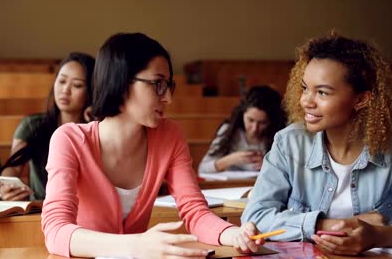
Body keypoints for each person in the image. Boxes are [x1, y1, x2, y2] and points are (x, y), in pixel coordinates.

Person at [42, 33, 264, 258]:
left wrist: (235, 234)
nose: (168, 97)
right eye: (158, 84)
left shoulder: (170, 135)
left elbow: (195, 212)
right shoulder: (68, 139)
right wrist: (135, 245)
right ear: (120, 81)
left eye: (169, 86)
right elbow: (56, 230)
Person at [241, 32, 392, 255]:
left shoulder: (390, 150)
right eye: (305, 88)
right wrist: (327, 225)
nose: (305, 101)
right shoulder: (288, 143)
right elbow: (256, 217)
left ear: (361, 99)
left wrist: (376, 236)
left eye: (322, 92)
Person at [0, 52, 95, 201]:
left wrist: (95, 121)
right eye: (61, 81)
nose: (65, 90)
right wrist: (7, 187)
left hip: (84, 212)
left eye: (77, 85)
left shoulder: (98, 128)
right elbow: (13, 167)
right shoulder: (33, 125)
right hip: (39, 210)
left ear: (92, 91)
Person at [198, 86, 286, 173]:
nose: (254, 129)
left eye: (263, 123)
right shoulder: (229, 130)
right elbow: (202, 169)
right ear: (242, 114)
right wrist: (231, 159)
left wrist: (270, 166)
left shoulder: (281, 135)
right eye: (250, 120)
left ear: (272, 121)